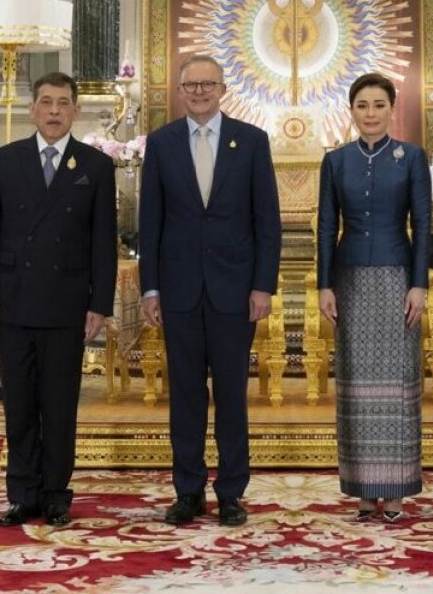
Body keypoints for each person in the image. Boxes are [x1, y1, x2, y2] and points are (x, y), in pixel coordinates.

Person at [138, 54, 282, 527]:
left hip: (234, 292)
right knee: (184, 397)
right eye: (190, 85)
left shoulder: (252, 142)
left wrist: (263, 286)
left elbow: (267, 222)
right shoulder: (161, 144)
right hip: (178, 291)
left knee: (232, 398)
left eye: (207, 84)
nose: (198, 92)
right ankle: (188, 491)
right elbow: (150, 222)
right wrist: (150, 289)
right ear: (179, 92)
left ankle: (231, 493)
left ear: (223, 88)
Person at [0, 71, 118, 527]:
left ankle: (56, 493)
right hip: (13, 302)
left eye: (63, 103)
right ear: (33, 109)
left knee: (59, 405)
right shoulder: (4, 160)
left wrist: (100, 304)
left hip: (67, 304)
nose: (54, 111)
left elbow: (103, 242)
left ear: (75, 110)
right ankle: (22, 493)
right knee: (19, 404)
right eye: (46, 102)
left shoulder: (94, 166)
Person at [317, 71, 431, 522]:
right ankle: (365, 491)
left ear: (391, 109)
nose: (370, 113)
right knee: (358, 389)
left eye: (378, 105)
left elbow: (422, 224)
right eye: (362, 105)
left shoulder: (411, 158)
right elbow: (327, 226)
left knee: (397, 385)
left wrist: (420, 283)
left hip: (398, 280)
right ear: (352, 110)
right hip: (349, 282)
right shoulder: (337, 161)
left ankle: (397, 491)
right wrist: (324, 283)